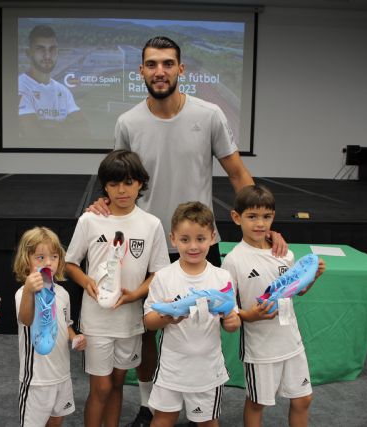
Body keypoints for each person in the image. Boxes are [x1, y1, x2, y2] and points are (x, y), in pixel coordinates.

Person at [90, 35, 287, 427]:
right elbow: (119, 178)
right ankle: (150, 405)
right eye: (151, 64)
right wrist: (103, 204)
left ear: (181, 70)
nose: (159, 71)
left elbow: (236, 173)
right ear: (141, 71)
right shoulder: (127, 122)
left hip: (197, 243)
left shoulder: (210, 114)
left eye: (167, 63)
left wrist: (263, 225)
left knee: (204, 320)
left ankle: (203, 401)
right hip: (144, 243)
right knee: (146, 328)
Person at [65, 149, 170, 427]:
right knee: (100, 387)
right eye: (113, 184)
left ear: (140, 184)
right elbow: (70, 264)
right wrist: (86, 281)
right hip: (96, 320)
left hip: (130, 320)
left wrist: (136, 294)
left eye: (128, 182)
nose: (121, 190)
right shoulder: (90, 219)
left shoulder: (152, 224)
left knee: (117, 384)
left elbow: (158, 272)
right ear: (105, 187)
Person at [220, 185, 325, 427]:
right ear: (237, 218)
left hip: (291, 341)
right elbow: (229, 310)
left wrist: (313, 276)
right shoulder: (234, 260)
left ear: (273, 218)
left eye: (266, 217)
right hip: (261, 349)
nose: (260, 223)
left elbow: (295, 291)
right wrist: (251, 315)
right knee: (257, 403)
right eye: (252, 216)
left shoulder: (284, 254)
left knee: (303, 399)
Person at [143, 201, 241, 427]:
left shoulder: (222, 277)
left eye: (200, 238)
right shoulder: (163, 277)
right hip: (172, 369)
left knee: (207, 422)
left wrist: (232, 320)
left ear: (212, 237)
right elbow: (149, 321)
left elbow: (231, 323)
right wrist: (165, 317)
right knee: (163, 419)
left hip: (208, 371)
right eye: (185, 239)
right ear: (173, 238)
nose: (193, 246)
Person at [13, 226, 86, 427]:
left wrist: (75, 338)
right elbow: (26, 320)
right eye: (40, 257)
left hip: (61, 375)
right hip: (36, 379)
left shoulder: (63, 293)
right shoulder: (23, 293)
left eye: (54, 257)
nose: (48, 263)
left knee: (56, 421)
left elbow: (66, 324)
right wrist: (29, 291)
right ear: (26, 260)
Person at [18, 24, 89, 140]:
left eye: (52, 49)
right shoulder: (20, 87)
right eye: (40, 49)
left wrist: (48, 125)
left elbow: (85, 131)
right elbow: (33, 135)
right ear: (28, 53)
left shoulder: (63, 91)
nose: (48, 55)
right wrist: (67, 127)